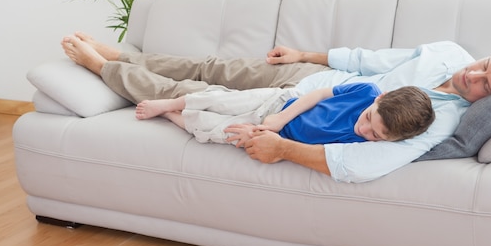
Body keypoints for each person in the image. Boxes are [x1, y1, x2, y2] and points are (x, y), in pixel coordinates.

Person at [61, 32, 491, 183]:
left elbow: (359, 164)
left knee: (189, 90)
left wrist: (281, 149)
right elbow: (372, 59)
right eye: (485, 64)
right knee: (212, 67)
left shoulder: (439, 118)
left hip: (299, 104)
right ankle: (125, 56)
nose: (473, 76)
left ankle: (105, 70)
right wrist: (305, 56)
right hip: (315, 82)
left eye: (487, 85)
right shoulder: (450, 54)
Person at [134, 83, 435, 147]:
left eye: (376, 135)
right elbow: (316, 95)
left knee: (213, 129)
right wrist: (279, 118)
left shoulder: (362, 145)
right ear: (379, 99)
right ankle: (170, 103)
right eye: (369, 118)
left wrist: (266, 133)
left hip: (274, 132)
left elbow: (305, 150)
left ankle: (172, 116)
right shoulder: (365, 91)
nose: (363, 129)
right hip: (279, 104)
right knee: (221, 100)